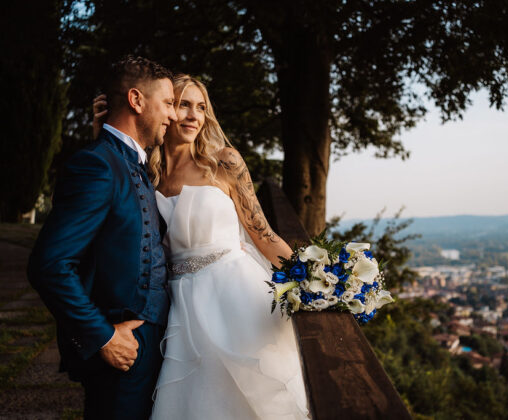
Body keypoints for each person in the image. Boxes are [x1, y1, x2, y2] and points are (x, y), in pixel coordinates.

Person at [93, 73, 310, 419]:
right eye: (182, 105)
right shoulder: (145, 175)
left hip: (236, 296)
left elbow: (264, 235)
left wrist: (315, 280)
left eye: (201, 107)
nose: (195, 116)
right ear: (165, 110)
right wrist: (101, 133)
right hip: (178, 305)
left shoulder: (224, 163)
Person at [28, 55, 178, 420]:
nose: (173, 116)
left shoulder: (134, 163)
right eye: (169, 103)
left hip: (151, 343)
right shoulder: (97, 164)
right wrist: (103, 336)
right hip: (122, 348)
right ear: (136, 100)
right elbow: (50, 265)